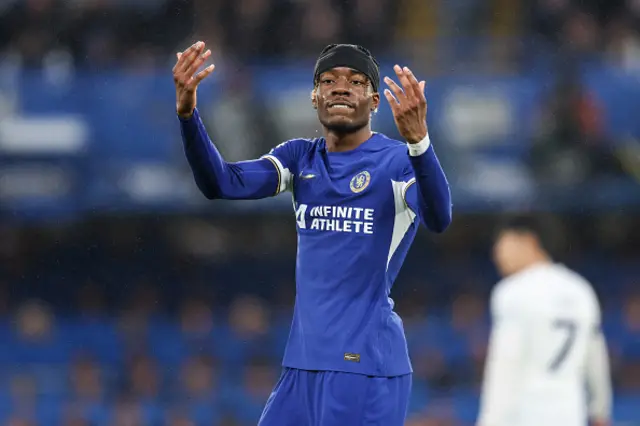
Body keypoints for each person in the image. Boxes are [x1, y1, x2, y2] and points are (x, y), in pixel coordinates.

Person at [173, 41, 452, 426]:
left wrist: (420, 143)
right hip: (302, 366)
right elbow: (222, 182)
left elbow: (438, 217)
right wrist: (188, 115)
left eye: (355, 81)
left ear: (374, 101)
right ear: (314, 98)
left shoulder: (397, 162)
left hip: (364, 364)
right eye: (328, 80)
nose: (340, 87)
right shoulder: (300, 157)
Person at [478, 215, 612, 426]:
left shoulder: (513, 292)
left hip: (525, 415)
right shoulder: (580, 289)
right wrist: (600, 411)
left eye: (502, 244)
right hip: (570, 414)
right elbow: (596, 357)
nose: (497, 254)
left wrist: (489, 421)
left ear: (528, 241)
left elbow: (505, 367)